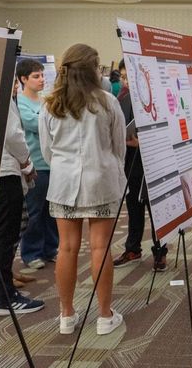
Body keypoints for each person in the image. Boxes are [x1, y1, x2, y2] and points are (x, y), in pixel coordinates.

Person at [39, 44, 126, 335]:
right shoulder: (107, 101)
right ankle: (104, 316)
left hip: (63, 185)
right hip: (100, 181)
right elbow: (119, 145)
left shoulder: (50, 104)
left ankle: (66, 315)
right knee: (100, 247)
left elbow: (46, 150)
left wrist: (65, 167)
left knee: (66, 248)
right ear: (93, 69)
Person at [0, 97, 45, 316]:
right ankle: (5, 296)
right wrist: (27, 163)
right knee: (4, 233)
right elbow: (12, 134)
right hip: (4, 171)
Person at [112, 59, 169, 272]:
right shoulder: (121, 97)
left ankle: (160, 251)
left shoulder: (155, 96)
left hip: (153, 160)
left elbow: (165, 129)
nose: (126, 82)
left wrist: (142, 143)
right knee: (133, 206)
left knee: (156, 209)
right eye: (123, 77)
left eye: (129, 77)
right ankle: (132, 248)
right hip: (129, 160)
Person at [17, 59, 59, 270]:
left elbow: (55, 122)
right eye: (36, 76)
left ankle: (51, 249)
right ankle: (31, 252)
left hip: (53, 163)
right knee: (34, 212)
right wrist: (46, 119)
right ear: (23, 79)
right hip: (35, 165)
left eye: (42, 75)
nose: (42, 79)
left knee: (52, 210)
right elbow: (34, 124)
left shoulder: (45, 101)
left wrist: (45, 119)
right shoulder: (20, 102)